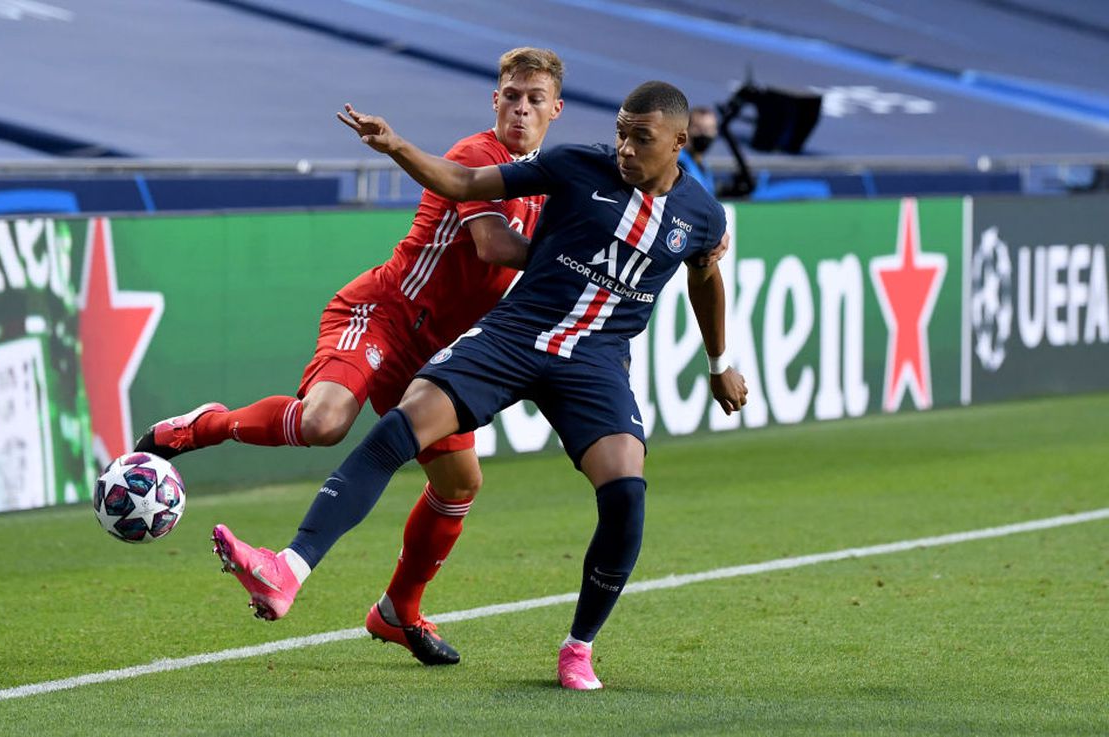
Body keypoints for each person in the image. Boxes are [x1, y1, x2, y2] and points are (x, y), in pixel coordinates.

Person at [210, 80, 748, 690]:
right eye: (621, 131)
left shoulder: (702, 215)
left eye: (641, 138)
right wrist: (397, 147)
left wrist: (719, 362)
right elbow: (465, 185)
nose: (625, 147)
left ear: (679, 143)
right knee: (401, 427)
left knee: (626, 492)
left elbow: (705, 278)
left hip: (594, 363)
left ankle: (578, 649)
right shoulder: (575, 165)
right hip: (514, 336)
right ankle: (289, 567)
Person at [134, 47, 566, 666]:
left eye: (533, 99)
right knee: (324, 423)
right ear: (494, 99)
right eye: (511, 96)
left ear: (555, 109)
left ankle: (398, 612)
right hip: (384, 316)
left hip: (437, 356)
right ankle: (205, 425)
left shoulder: (547, 181)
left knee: (459, 483)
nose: (520, 108)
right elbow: (495, 247)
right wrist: (574, 260)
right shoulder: (479, 157)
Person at [677, 105, 717, 193]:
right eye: (699, 128)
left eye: (709, 129)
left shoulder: (703, 165)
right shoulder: (677, 165)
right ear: (685, 130)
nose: (704, 134)